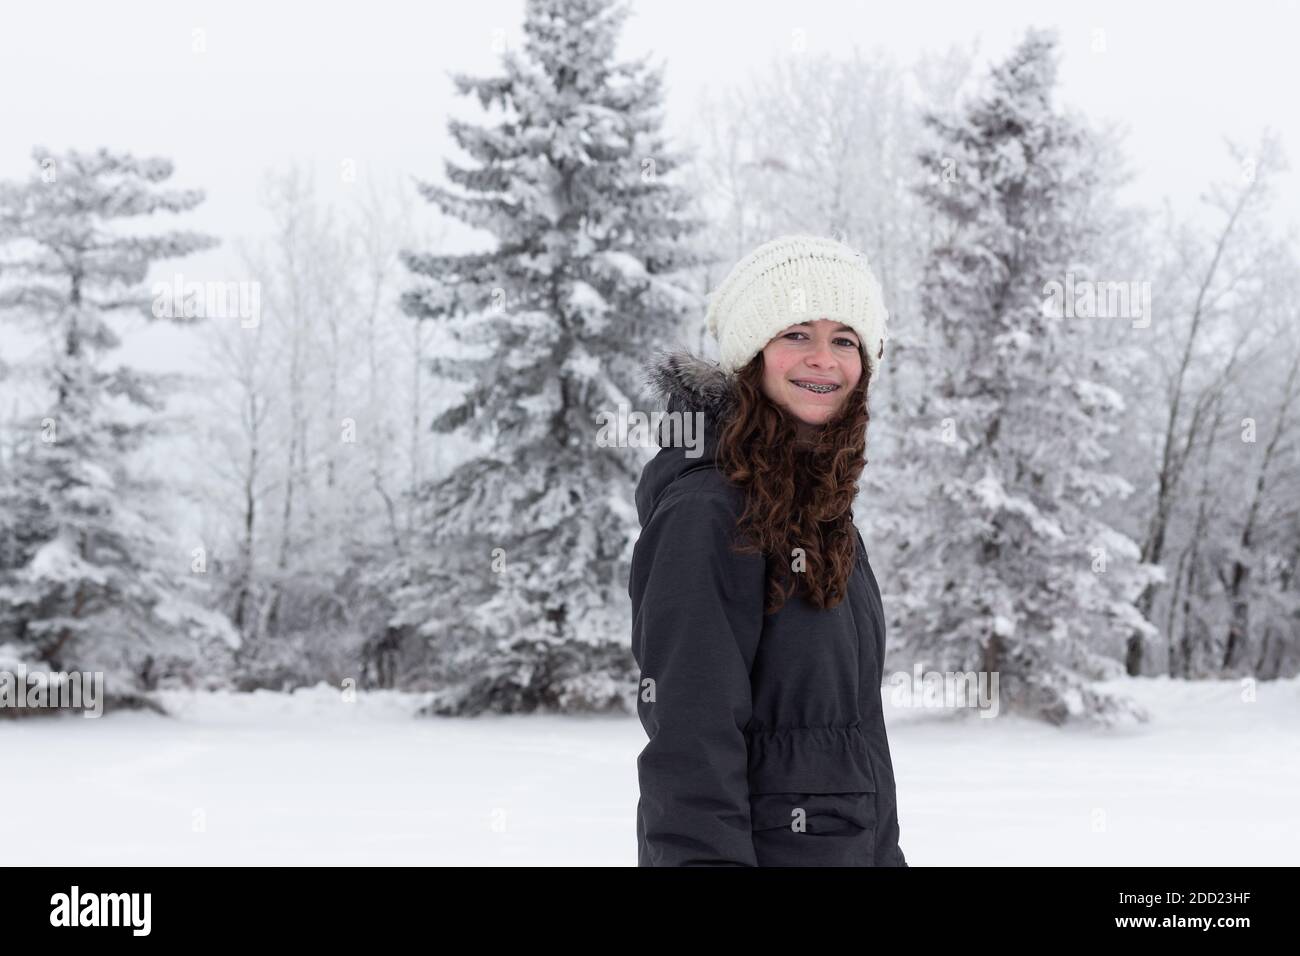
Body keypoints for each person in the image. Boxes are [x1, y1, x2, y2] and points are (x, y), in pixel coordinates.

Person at [629, 233, 907, 867]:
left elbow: (859, 744)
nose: (823, 359)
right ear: (752, 353)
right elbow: (690, 744)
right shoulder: (707, 511)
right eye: (796, 334)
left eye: (844, 339)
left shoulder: (827, 517)